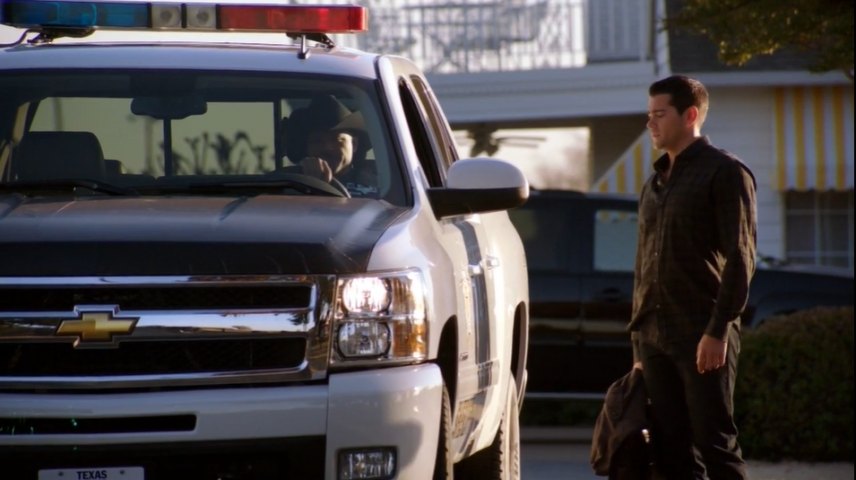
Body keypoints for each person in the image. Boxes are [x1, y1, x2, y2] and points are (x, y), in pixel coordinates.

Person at [628, 75, 757, 479]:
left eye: (659, 114)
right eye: (648, 114)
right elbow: (643, 265)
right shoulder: (654, 183)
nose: (650, 123)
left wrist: (718, 330)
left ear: (690, 115)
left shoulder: (726, 173)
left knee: (715, 444)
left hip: (702, 333)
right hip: (654, 337)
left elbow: (740, 258)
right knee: (670, 452)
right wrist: (638, 344)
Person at [281, 94, 377, 196]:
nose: (327, 147)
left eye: (337, 140)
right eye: (317, 141)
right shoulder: (287, 186)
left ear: (354, 144)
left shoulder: (375, 186)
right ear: (306, 147)